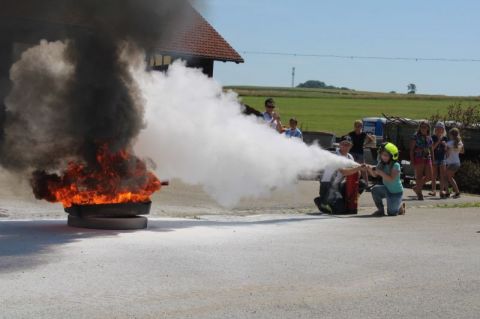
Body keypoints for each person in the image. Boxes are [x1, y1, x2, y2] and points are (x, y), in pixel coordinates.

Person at [314, 136, 364, 214]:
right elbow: (344, 172)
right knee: (340, 210)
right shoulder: (334, 156)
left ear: (351, 146)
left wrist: (363, 170)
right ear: (339, 145)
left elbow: (355, 173)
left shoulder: (350, 157)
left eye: (348, 145)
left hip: (338, 185)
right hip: (328, 186)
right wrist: (359, 168)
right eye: (343, 144)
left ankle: (348, 201)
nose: (345, 147)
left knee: (362, 184)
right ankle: (321, 201)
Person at [365, 143, 405, 216]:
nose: (383, 157)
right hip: (387, 189)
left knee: (391, 213)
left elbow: (391, 179)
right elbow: (374, 175)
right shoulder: (381, 163)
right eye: (382, 154)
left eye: (386, 155)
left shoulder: (396, 165)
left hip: (396, 193)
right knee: (374, 190)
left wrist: (380, 172)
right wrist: (369, 169)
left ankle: (400, 206)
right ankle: (380, 210)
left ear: (392, 156)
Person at [409, 121, 433, 200]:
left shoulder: (429, 136)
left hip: (427, 157)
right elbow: (412, 149)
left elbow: (431, 148)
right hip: (418, 157)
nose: (423, 128)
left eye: (425, 127)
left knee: (429, 176)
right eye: (422, 127)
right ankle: (419, 193)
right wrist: (412, 160)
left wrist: (433, 159)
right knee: (419, 176)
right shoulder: (415, 136)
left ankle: (417, 187)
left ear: (428, 128)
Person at [348, 120, 375, 184]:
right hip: (352, 152)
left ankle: (366, 183)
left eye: (360, 126)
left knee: (363, 168)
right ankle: (350, 182)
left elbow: (371, 140)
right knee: (351, 168)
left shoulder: (363, 134)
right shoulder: (351, 134)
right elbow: (344, 138)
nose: (358, 127)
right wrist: (349, 145)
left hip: (360, 152)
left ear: (362, 127)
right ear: (354, 127)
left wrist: (365, 145)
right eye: (357, 126)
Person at [430, 122, 448, 198]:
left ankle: (441, 191)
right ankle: (433, 191)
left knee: (442, 176)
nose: (439, 130)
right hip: (435, 158)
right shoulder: (433, 137)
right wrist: (438, 141)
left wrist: (445, 146)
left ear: (443, 129)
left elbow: (446, 150)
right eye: (438, 128)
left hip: (442, 158)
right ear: (435, 129)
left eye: (441, 128)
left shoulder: (445, 138)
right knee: (434, 175)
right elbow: (432, 148)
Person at [445, 128, 464, 198]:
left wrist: (445, 147)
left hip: (451, 163)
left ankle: (452, 192)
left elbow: (447, 154)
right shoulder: (460, 143)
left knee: (446, 178)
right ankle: (454, 192)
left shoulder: (449, 143)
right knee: (449, 178)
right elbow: (462, 152)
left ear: (451, 135)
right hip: (457, 162)